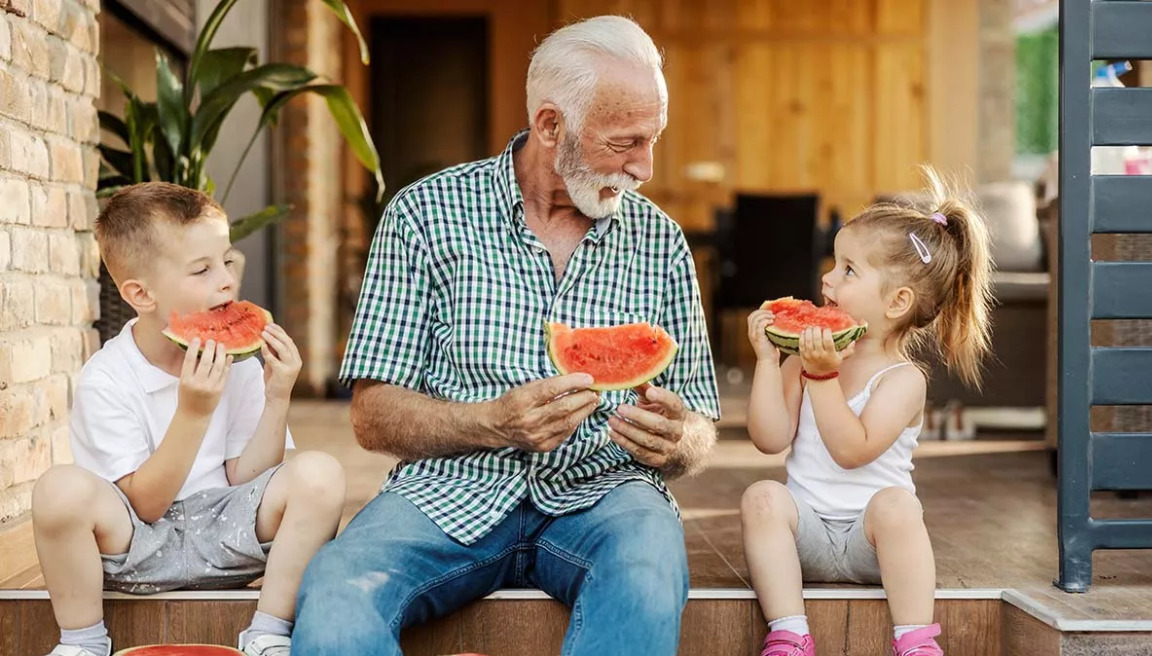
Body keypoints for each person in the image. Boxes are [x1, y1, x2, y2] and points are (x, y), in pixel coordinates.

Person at [291, 15, 720, 656]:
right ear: (550, 126)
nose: (646, 167)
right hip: (448, 489)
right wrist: (493, 423)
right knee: (334, 590)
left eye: (652, 139)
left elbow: (701, 424)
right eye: (624, 142)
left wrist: (677, 439)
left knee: (648, 573)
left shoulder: (659, 240)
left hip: (604, 493)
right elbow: (372, 416)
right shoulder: (423, 215)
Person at [31, 182, 346, 656]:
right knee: (57, 490)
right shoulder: (107, 378)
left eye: (226, 261)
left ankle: (269, 630)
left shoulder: (236, 361)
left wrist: (277, 394)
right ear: (141, 294)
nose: (225, 280)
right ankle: (83, 641)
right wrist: (193, 413)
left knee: (321, 474)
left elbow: (248, 478)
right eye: (202, 269)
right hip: (136, 545)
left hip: (229, 535)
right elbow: (145, 506)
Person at [740, 168, 993, 656]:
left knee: (899, 505)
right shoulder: (802, 359)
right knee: (761, 496)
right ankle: (790, 632)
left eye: (849, 270)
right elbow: (769, 439)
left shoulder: (903, 381)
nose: (828, 278)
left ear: (897, 302)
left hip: (873, 544)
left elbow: (851, 450)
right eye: (834, 264)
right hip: (805, 536)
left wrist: (821, 377)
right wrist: (770, 363)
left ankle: (915, 641)